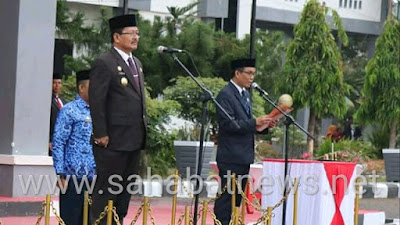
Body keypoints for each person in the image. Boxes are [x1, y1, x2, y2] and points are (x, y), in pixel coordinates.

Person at [89, 14, 146, 225]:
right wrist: (101, 133)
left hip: (133, 140)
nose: (136, 37)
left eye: (137, 33)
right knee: (106, 194)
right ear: (116, 37)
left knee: (124, 195)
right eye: (131, 33)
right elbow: (97, 101)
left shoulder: (137, 63)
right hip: (112, 141)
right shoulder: (104, 62)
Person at [214, 58, 277, 225]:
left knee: (237, 200)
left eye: (253, 74)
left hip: (243, 155)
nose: (251, 78)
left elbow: (246, 125)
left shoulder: (245, 95)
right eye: (248, 73)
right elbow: (228, 124)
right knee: (226, 199)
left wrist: (264, 124)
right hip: (230, 155)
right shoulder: (225, 94)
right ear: (237, 73)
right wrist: (254, 122)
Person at [52, 70, 96, 225]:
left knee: (92, 221)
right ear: (82, 88)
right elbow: (58, 142)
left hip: (95, 177)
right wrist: (60, 172)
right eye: (93, 86)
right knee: (72, 220)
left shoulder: (101, 113)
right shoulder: (69, 111)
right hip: (72, 177)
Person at [49, 73, 66, 156]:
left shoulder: (63, 101)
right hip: (52, 139)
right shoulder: (48, 100)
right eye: (54, 83)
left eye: (59, 83)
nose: (57, 85)